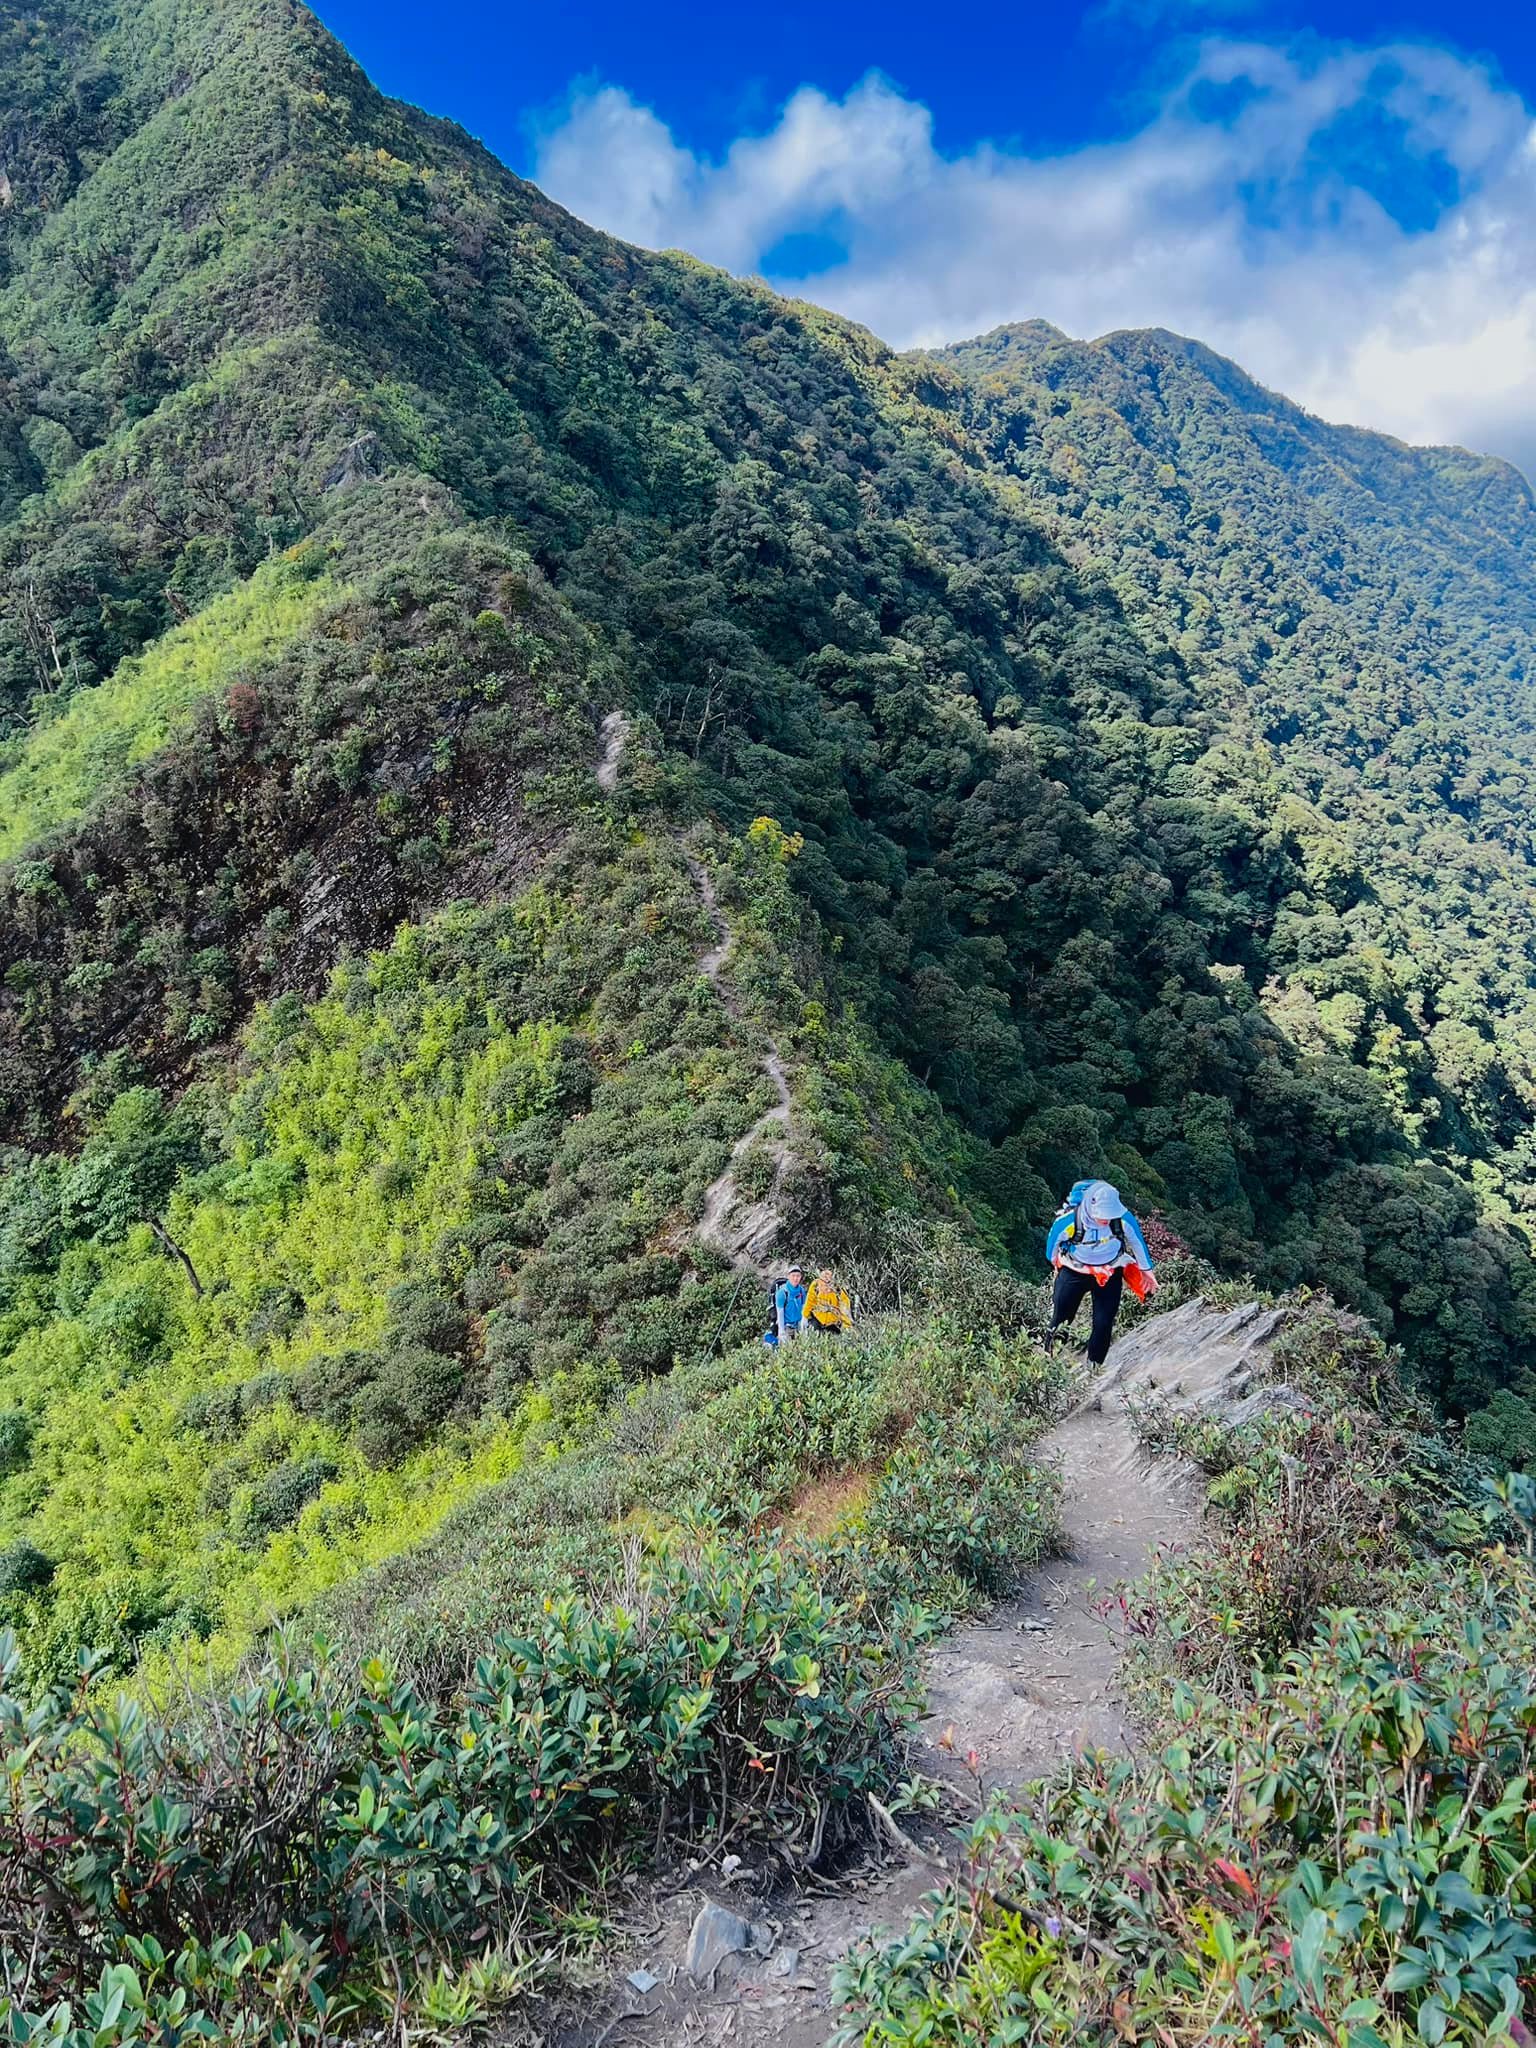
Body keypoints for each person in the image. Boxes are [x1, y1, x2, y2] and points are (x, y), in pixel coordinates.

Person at [1044, 1179, 1156, 1367]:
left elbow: (1137, 1241)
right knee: (1061, 1317)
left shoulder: (1122, 1219)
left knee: (1104, 1322)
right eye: (1102, 1215)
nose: (1106, 1219)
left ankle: (1094, 1367)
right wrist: (1056, 1263)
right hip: (1075, 1270)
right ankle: (1048, 1360)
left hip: (1110, 1271)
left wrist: (1146, 1270)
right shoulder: (1068, 1221)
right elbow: (1051, 1247)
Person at [803, 1266, 853, 1337]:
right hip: (817, 1321)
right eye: (824, 1275)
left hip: (834, 1324)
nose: (826, 1277)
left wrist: (847, 1325)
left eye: (828, 1274)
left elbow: (845, 1306)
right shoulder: (815, 1285)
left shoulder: (838, 1287)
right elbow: (809, 1302)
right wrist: (805, 1317)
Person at [775, 1265, 808, 1342]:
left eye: (798, 1276)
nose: (795, 1278)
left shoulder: (801, 1290)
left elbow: (804, 1307)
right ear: (788, 1276)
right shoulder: (782, 1293)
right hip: (787, 1326)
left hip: (799, 1325)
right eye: (793, 1276)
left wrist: (804, 1322)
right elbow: (780, 1313)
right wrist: (781, 1331)